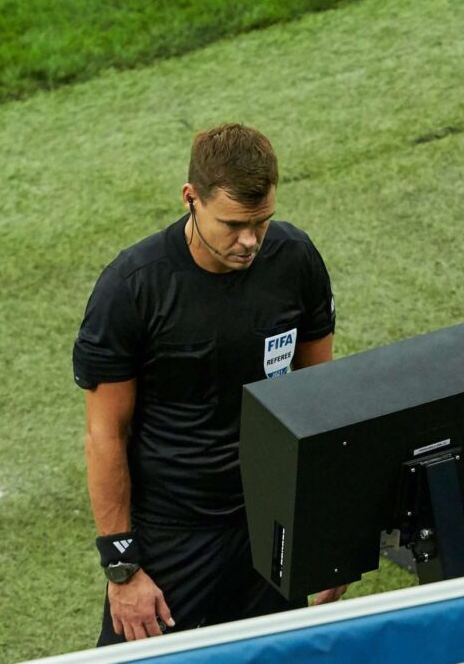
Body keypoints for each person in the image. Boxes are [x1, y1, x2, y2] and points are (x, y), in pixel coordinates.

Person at [73, 123, 346, 646]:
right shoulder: (131, 289)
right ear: (190, 198)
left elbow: (319, 397)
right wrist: (122, 569)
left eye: (261, 222)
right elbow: (105, 433)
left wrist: (330, 533)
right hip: (174, 536)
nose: (250, 241)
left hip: (268, 528)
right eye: (234, 224)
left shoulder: (295, 261)